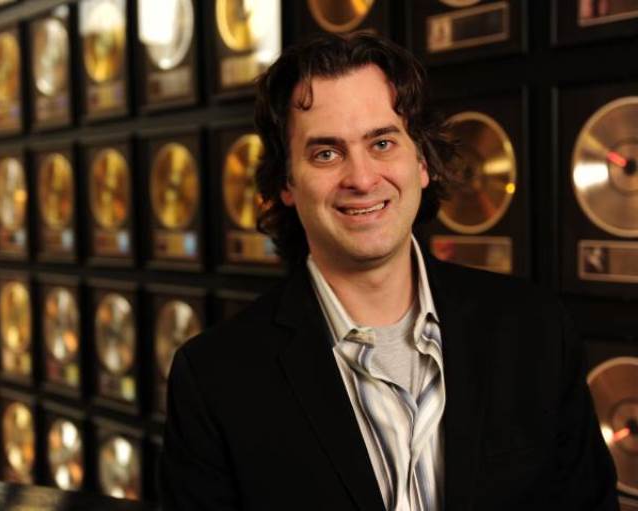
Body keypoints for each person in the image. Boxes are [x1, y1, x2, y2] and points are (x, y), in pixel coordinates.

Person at [160, 32, 618, 511]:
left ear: (422, 162)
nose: (360, 178)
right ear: (286, 183)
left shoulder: (536, 329)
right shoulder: (215, 379)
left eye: (381, 142)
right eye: (326, 153)